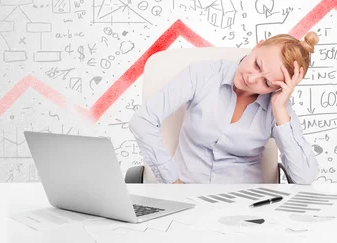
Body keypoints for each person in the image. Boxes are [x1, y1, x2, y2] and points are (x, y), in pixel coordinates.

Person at [128, 32, 320, 185]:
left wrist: (279, 109)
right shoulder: (202, 74)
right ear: (258, 46)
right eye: (256, 64)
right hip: (186, 197)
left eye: (267, 83)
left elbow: (304, 177)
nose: (252, 79)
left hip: (247, 206)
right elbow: (142, 121)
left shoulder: (279, 106)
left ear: (278, 88)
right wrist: (172, 182)